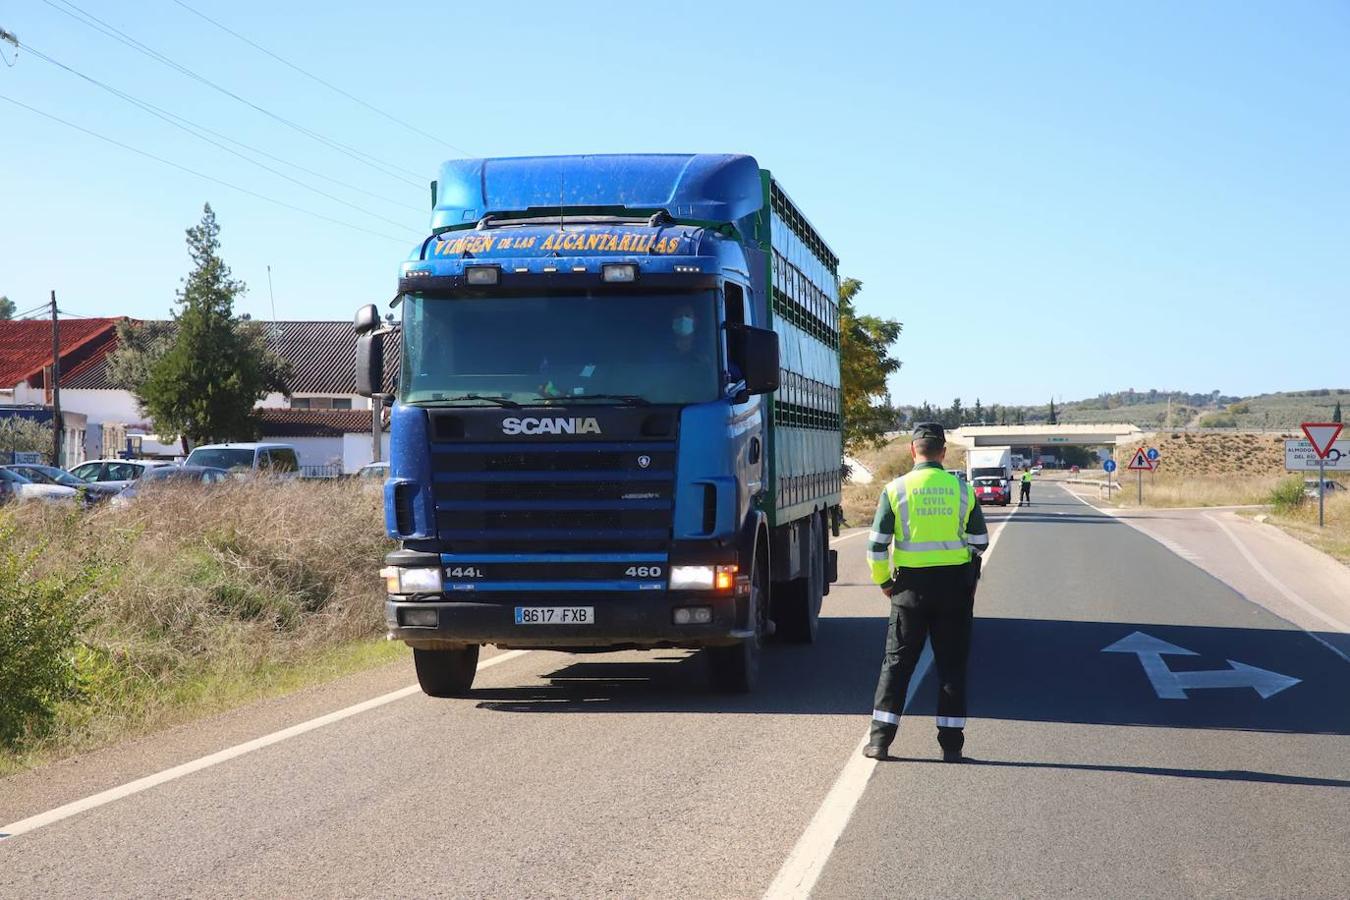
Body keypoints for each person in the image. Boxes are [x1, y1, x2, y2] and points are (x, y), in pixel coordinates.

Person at [864, 423, 989, 762]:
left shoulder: (896, 489)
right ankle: (951, 746)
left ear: (913, 450)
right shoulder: (961, 490)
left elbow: (876, 546)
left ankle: (879, 742)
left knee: (897, 664)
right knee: (952, 667)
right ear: (944, 452)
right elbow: (980, 542)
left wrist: (885, 583)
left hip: (909, 590)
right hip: (954, 591)